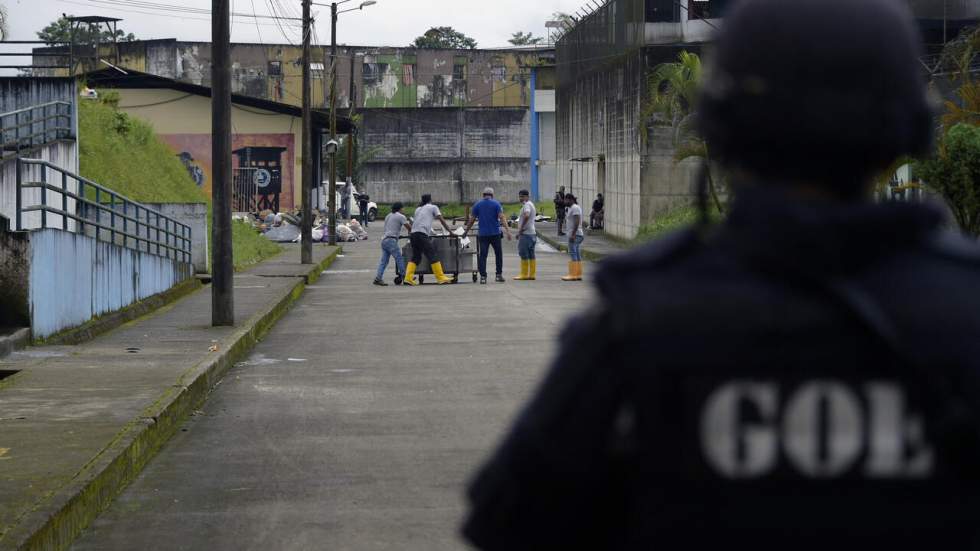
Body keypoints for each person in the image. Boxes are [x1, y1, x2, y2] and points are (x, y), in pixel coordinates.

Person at [463, 0, 980, 549]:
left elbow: (512, 518)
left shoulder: (643, 316)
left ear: (722, 128)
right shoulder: (966, 306)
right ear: (909, 130)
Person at [465, 187, 513, 284]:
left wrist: (466, 232)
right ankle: (498, 275)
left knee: (483, 255)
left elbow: (471, 220)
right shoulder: (496, 204)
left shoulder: (477, 204)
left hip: (483, 235)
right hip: (495, 234)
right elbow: (502, 218)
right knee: (498, 254)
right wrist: (508, 231)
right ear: (492, 195)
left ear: (483, 195)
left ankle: (483, 277)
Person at [405, 194, 455, 286]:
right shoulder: (433, 207)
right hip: (421, 234)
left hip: (413, 234)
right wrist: (450, 231)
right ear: (430, 200)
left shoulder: (418, 209)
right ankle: (440, 277)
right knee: (432, 254)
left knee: (416, 257)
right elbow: (441, 220)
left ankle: (408, 278)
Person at [373, 202, 411, 287]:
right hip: (391, 240)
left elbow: (389, 228)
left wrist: (397, 235)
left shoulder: (388, 215)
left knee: (384, 261)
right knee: (399, 258)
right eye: (403, 208)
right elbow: (409, 227)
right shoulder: (401, 216)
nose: (403, 210)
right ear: (400, 208)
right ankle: (405, 277)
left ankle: (378, 278)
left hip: (385, 240)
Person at [513, 189, 537, 281]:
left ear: (527, 196)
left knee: (523, 253)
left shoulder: (527, 205)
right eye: (520, 196)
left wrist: (521, 229)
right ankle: (531, 274)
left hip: (526, 233)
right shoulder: (531, 204)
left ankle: (524, 274)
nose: (521, 198)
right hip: (532, 233)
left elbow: (527, 215)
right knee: (531, 254)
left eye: (522, 196)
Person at [560, 194, 584, 281]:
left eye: (566, 200)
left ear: (571, 200)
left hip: (576, 234)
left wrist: (573, 234)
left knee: (573, 253)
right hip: (575, 234)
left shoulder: (575, 208)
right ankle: (578, 274)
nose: (564, 202)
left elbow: (577, 221)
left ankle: (573, 274)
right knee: (576, 253)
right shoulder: (571, 208)